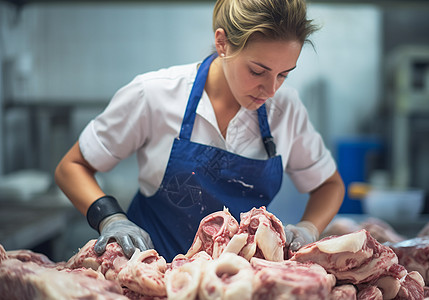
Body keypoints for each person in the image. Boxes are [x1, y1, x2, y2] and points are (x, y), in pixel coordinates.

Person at [55, 0, 345, 262]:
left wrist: (309, 228)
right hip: (153, 278)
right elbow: (72, 167)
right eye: (258, 71)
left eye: (283, 74)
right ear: (222, 43)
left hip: (238, 284)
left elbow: (329, 186)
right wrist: (111, 218)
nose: (271, 90)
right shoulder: (154, 94)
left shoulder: (287, 108)